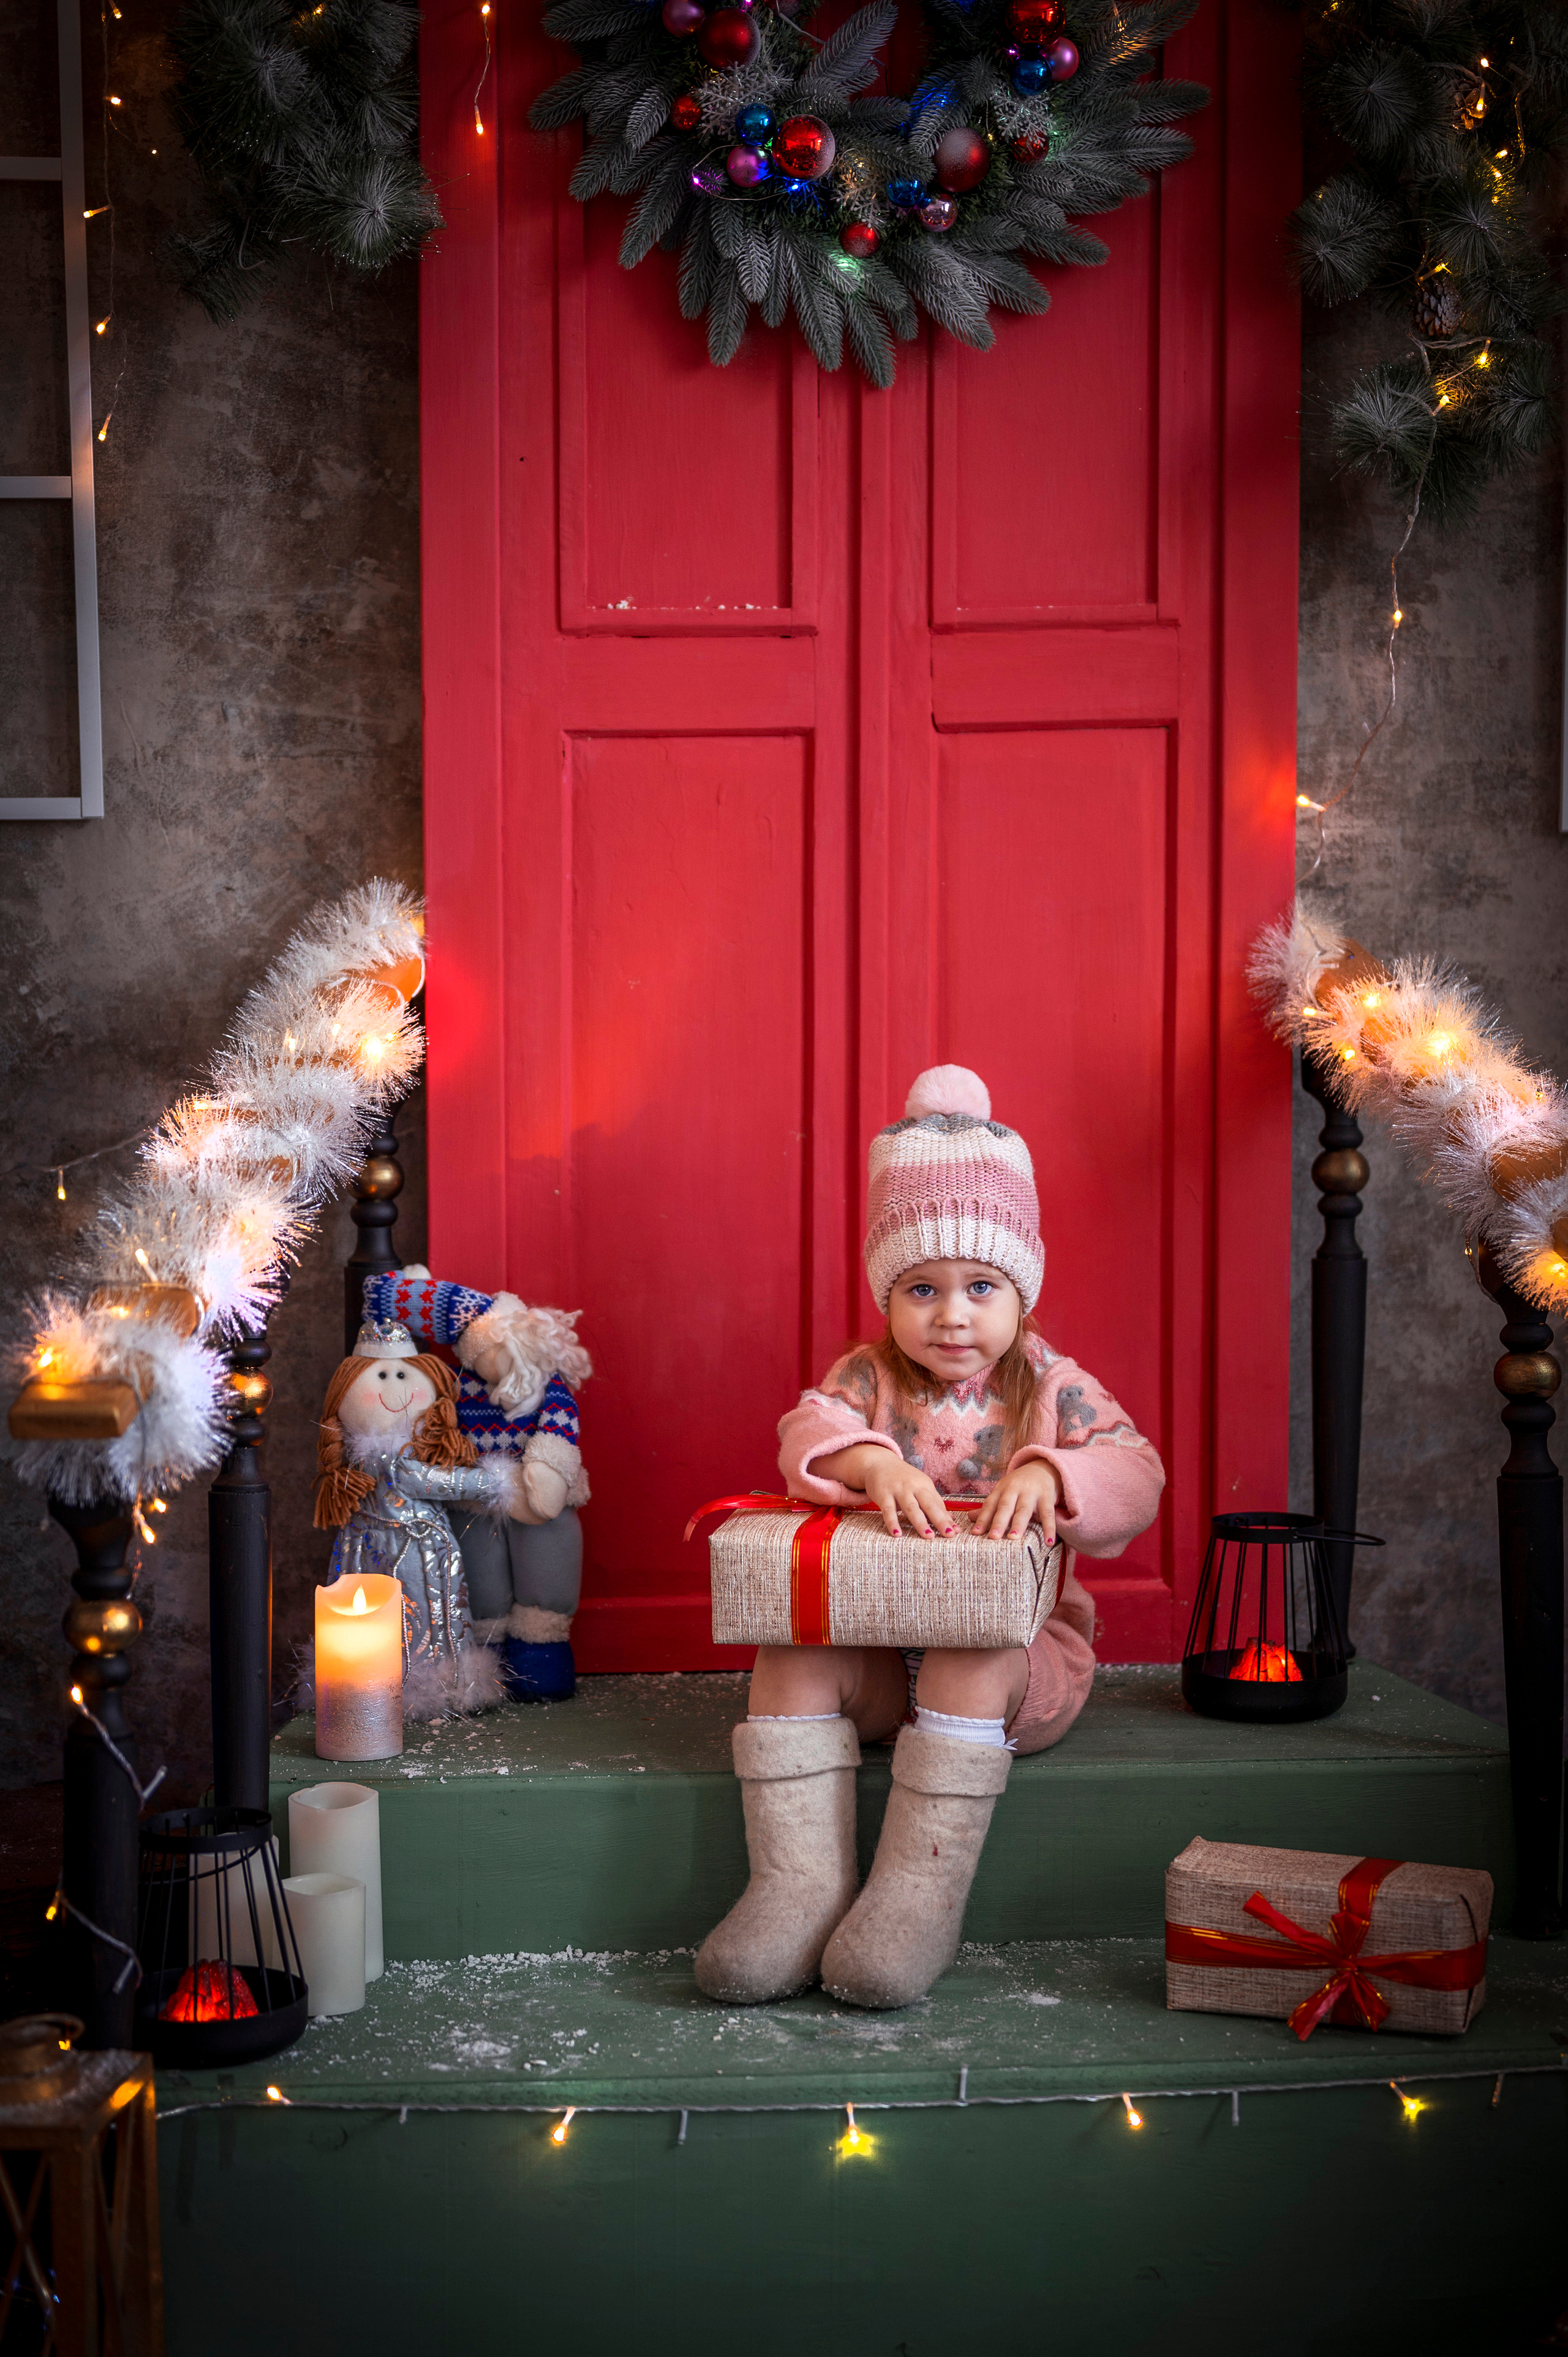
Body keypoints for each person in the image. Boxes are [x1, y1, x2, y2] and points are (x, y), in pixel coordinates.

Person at [695, 1065, 1165, 2011]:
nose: (951, 1314)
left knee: (972, 1652)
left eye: (980, 1285)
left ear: (1020, 1288)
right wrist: (867, 1463)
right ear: (887, 1293)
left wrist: (1051, 1471)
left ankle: (916, 1895)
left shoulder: (1053, 1385)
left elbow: (1140, 1478)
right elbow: (805, 1435)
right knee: (787, 1656)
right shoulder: (870, 1379)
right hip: (881, 1667)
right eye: (921, 1288)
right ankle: (799, 1886)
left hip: (1014, 1676)